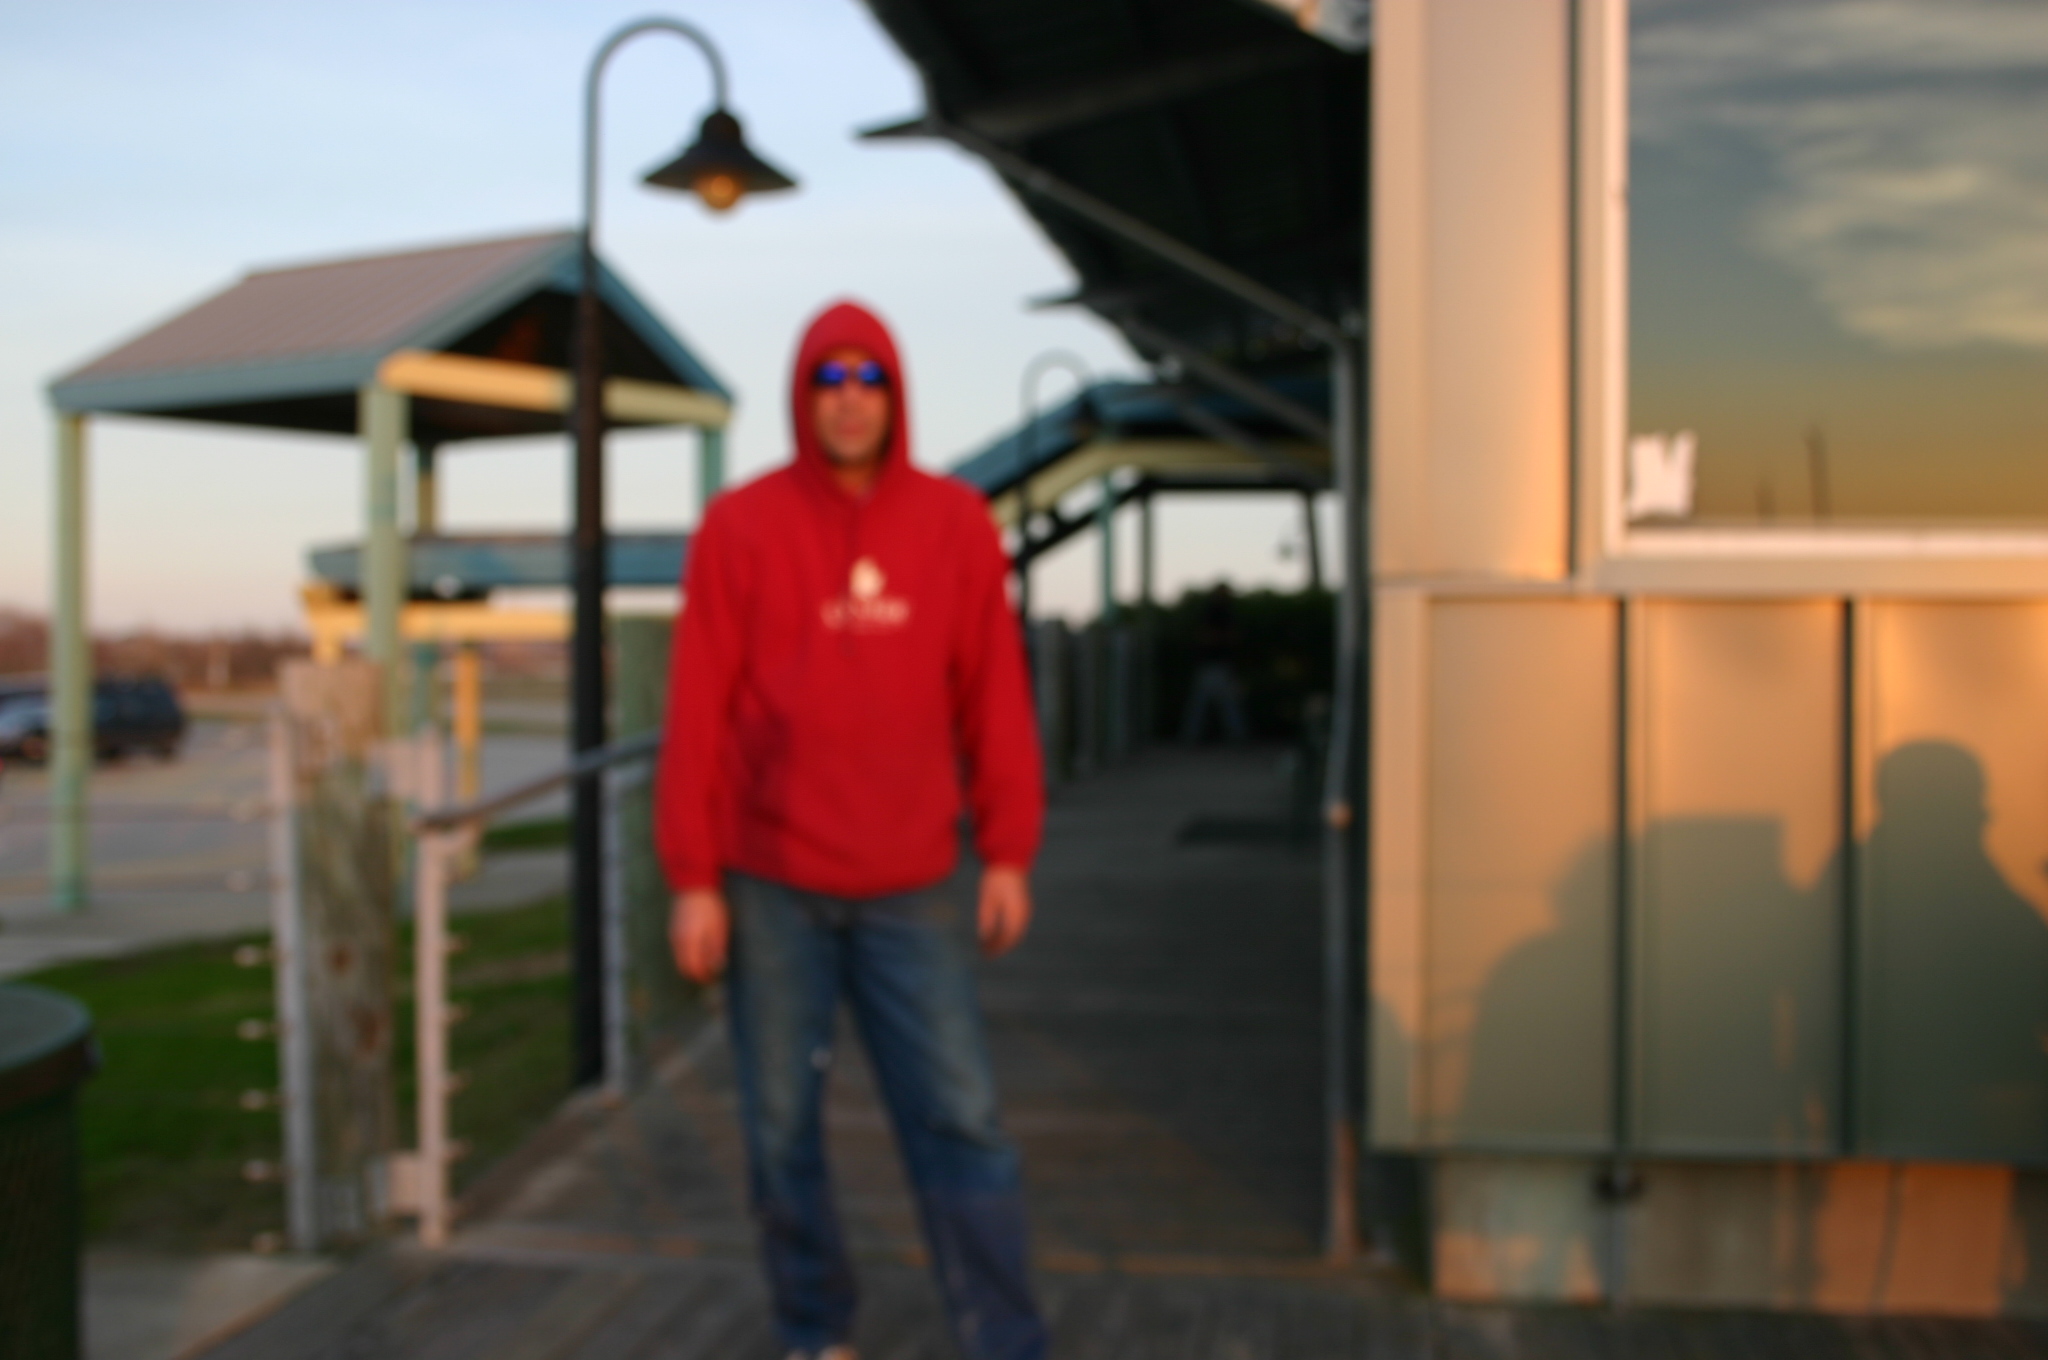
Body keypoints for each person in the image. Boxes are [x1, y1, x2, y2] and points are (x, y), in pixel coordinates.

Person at [653, 301, 1048, 1360]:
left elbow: (994, 697)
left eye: (869, 376)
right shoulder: (739, 527)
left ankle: (1005, 1337)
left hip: (914, 882)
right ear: (802, 395)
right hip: (770, 879)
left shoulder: (955, 523)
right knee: (781, 1123)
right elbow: (697, 710)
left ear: (896, 392)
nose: (849, 397)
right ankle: (813, 1326)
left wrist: (1008, 851)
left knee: (962, 1115)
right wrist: (692, 877)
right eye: (828, 377)